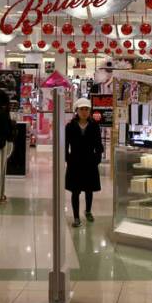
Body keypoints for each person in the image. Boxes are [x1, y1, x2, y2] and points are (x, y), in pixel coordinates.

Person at [65, 97, 103, 227]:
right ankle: (76, 217)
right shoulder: (70, 126)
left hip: (90, 162)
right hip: (75, 162)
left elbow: (99, 145)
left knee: (89, 189)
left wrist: (97, 159)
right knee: (75, 191)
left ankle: (88, 210)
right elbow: (65, 145)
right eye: (82, 109)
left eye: (87, 109)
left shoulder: (94, 126)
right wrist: (68, 158)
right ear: (77, 110)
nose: (84, 112)